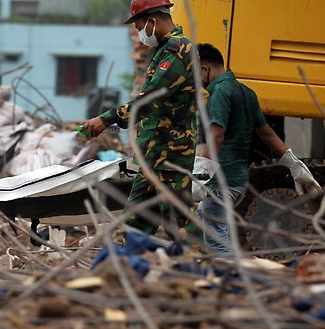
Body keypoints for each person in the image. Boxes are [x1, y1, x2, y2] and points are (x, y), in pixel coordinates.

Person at [81, 0, 199, 244]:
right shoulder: (166, 49)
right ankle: (134, 270)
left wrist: (107, 118)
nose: (139, 33)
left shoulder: (178, 50)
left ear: (152, 21)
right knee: (135, 221)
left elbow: (150, 99)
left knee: (181, 225)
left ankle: (202, 271)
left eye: (138, 26)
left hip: (171, 154)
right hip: (154, 153)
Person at [196, 43, 322, 253]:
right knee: (209, 218)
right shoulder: (247, 92)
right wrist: (294, 165)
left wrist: (201, 174)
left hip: (222, 179)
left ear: (204, 69)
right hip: (239, 181)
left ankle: (236, 278)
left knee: (217, 241)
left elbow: (216, 136)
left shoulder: (219, 92)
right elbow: (267, 134)